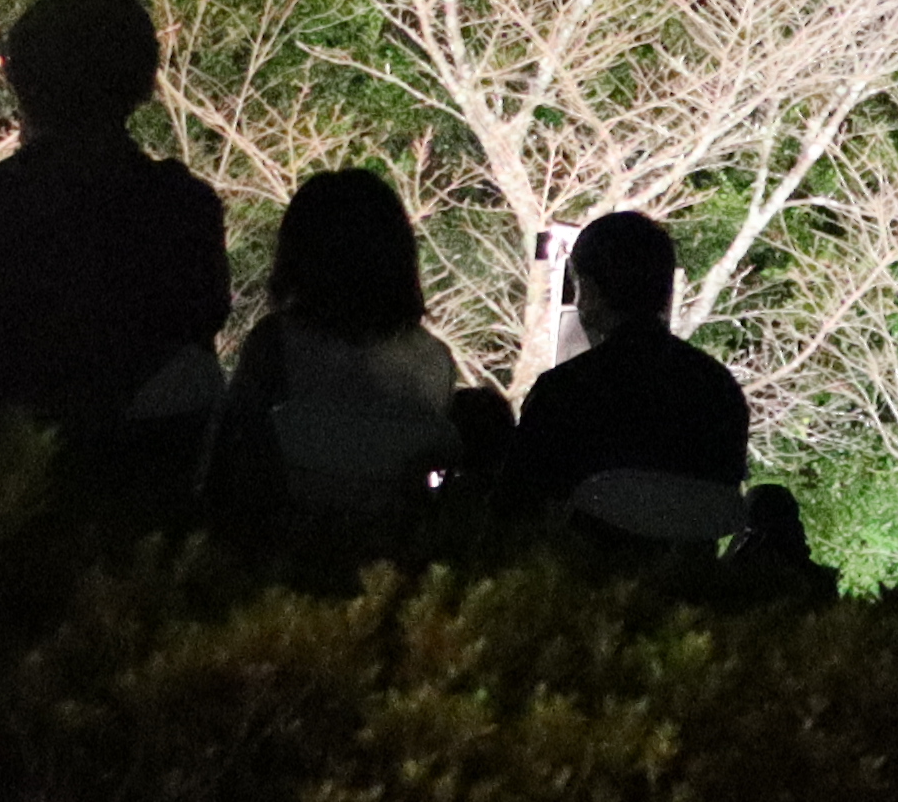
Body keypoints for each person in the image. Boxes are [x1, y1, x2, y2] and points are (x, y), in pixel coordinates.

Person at [0, 0, 232, 485]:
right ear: (147, 83)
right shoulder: (184, 210)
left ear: (19, 80)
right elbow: (195, 345)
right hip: (139, 509)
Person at [212, 169, 463, 525]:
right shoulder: (433, 360)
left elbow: (232, 460)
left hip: (284, 550)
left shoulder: (275, 345)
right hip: (395, 554)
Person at [504, 209, 747, 547]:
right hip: (689, 589)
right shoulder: (719, 392)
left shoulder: (565, 392)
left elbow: (517, 509)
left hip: (577, 589)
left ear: (588, 289)